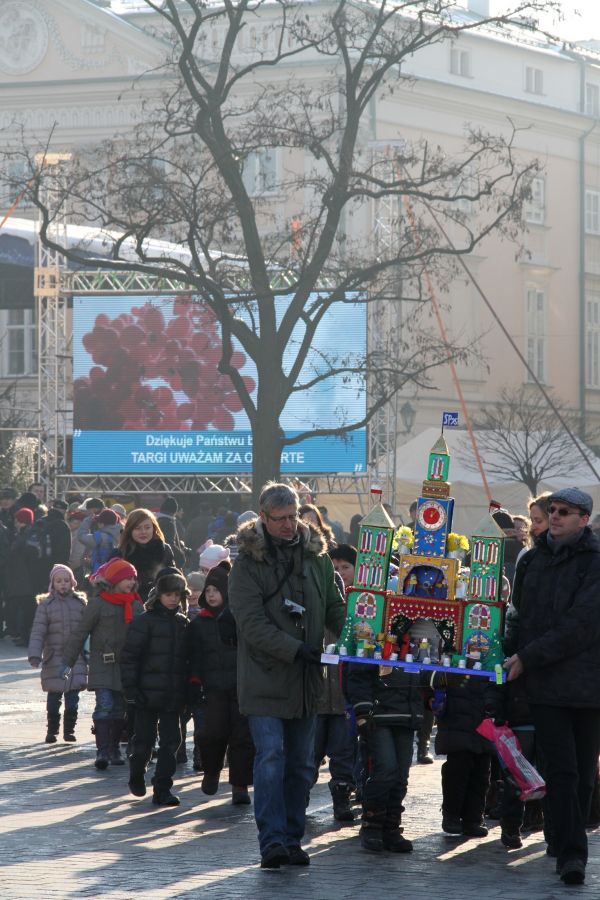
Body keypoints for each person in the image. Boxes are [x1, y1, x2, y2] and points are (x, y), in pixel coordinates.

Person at [229, 481, 346, 869]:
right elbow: (251, 624)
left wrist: (360, 635)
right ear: (263, 517)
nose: (289, 525)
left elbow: (334, 608)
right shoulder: (247, 562)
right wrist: (295, 649)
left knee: (301, 765)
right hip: (264, 678)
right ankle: (272, 841)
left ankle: (293, 838)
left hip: (307, 680)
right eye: (280, 519)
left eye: (294, 516)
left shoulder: (317, 557)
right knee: (271, 757)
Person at [504, 487, 600, 886]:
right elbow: (518, 616)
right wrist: (507, 654)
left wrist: (528, 656)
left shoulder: (595, 561)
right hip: (545, 685)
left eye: (565, 511)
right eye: (553, 509)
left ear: (584, 519)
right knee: (561, 771)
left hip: (588, 685)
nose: (555, 516)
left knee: (584, 774)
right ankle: (572, 854)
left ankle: (563, 838)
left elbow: (582, 624)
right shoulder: (532, 559)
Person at [62, 557, 143, 770]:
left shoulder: (135, 605)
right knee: (104, 706)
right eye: (127, 578)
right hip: (102, 665)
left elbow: (145, 635)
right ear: (114, 580)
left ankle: (114, 748)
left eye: (133, 578)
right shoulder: (98, 603)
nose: (131, 582)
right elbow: (80, 633)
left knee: (119, 710)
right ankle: (103, 750)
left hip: (125, 667)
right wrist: (68, 661)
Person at [121, 568, 190, 806]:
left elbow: (188, 660)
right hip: (146, 694)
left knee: (171, 743)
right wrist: (131, 690)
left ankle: (162, 788)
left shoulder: (183, 623)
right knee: (144, 741)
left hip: (173, 694)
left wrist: (187, 692)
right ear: (159, 595)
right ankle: (136, 771)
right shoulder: (144, 622)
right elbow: (129, 658)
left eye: (177, 594)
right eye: (168, 594)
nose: (173, 599)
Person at [188, 561, 254, 805]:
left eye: (216, 590)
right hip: (213, 688)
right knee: (212, 734)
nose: (211, 594)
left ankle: (239, 785)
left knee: (242, 737)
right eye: (208, 590)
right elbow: (193, 657)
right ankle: (212, 771)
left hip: (240, 687)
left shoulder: (240, 619)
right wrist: (194, 682)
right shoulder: (199, 624)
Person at [346, 660, 423, 853]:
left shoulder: (417, 642)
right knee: (385, 769)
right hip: (378, 713)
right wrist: (363, 709)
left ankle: (391, 827)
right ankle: (372, 825)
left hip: (406, 714)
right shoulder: (376, 638)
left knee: (401, 775)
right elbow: (358, 672)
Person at [27, 564, 88, 744]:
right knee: (54, 696)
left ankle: (69, 730)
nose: (63, 584)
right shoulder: (46, 605)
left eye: (66, 581)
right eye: (59, 581)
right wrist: (35, 654)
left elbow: (88, 631)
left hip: (75, 659)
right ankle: (52, 730)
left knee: (73, 696)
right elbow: (38, 632)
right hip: (54, 658)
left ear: (72, 582)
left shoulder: (80, 603)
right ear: (52, 583)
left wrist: (90, 653)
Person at [430, 673, 495, 839]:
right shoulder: (452, 661)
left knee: (481, 772)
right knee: (458, 769)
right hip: (457, 718)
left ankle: (473, 819)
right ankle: (451, 815)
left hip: (483, 719)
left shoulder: (492, 660)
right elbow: (433, 678)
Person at [116, 508, 175, 603]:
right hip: (128, 603)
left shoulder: (164, 550)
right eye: (137, 528)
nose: (143, 532)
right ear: (130, 530)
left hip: (158, 603)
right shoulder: (121, 553)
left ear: (153, 528)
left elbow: (173, 578)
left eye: (147, 527)